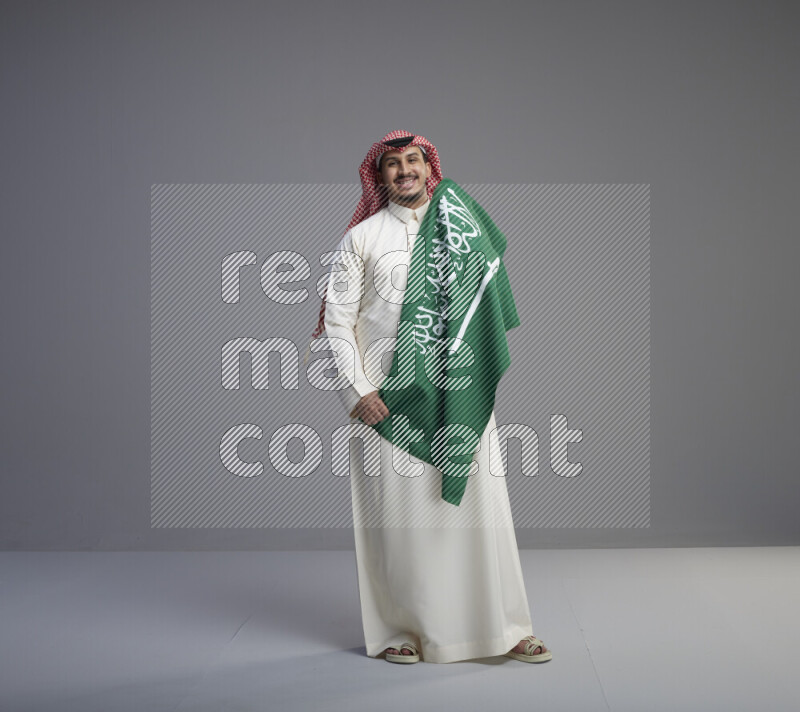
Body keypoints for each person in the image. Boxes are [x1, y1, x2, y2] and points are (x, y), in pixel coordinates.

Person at [310, 130, 551, 664]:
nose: (404, 172)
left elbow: (486, 302)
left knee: (480, 512)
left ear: (428, 166)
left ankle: (507, 628)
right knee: (397, 521)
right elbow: (339, 322)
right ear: (379, 177)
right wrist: (357, 391)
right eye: (392, 165)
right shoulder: (362, 238)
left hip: (459, 388)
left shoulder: (461, 226)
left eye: (413, 161)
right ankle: (402, 631)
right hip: (387, 398)